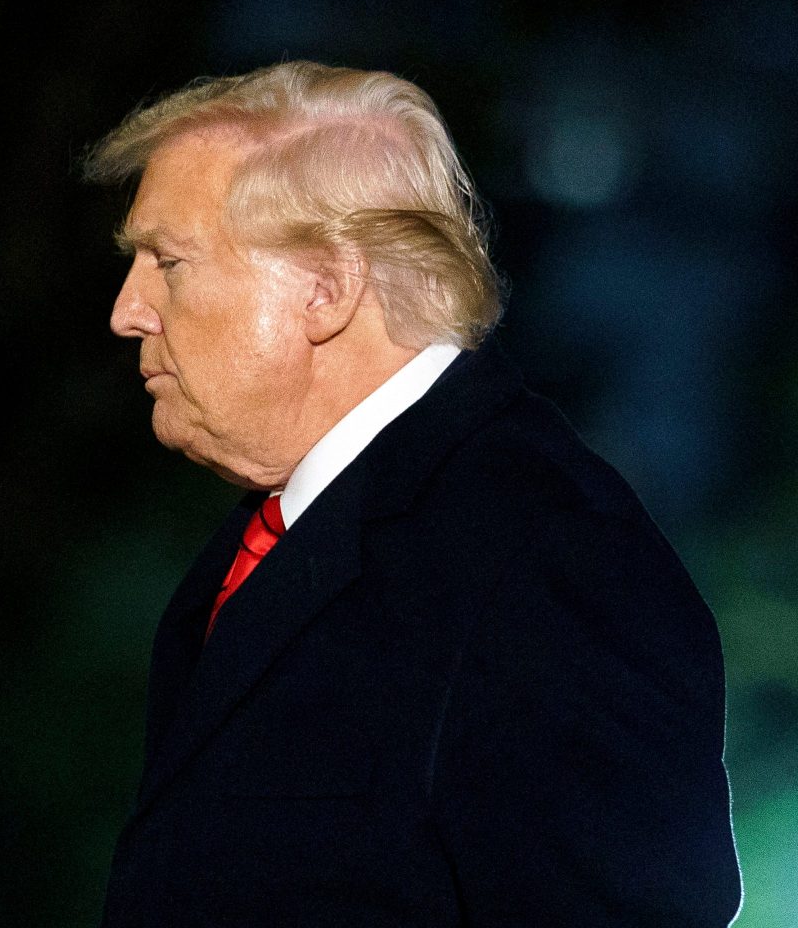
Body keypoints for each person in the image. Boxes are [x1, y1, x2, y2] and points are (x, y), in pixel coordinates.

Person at [86, 61, 741, 927]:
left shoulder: (548, 558)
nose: (127, 310)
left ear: (326, 286)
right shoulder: (270, 543)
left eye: (168, 260)